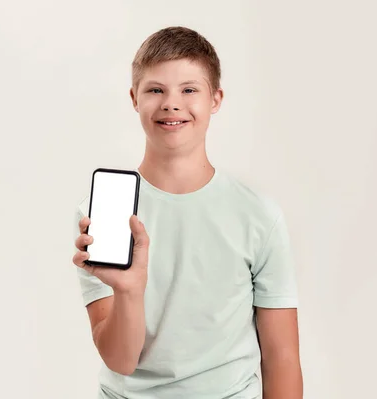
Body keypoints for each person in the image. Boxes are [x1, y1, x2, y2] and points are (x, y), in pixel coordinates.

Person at [72, 26, 303, 399]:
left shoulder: (258, 215)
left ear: (216, 99)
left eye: (189, 89)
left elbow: (282, 359)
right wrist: (129, 290)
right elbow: (120, 361)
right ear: (134, 98)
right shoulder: (101, 215)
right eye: (155, 90)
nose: (171, 103)